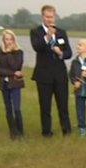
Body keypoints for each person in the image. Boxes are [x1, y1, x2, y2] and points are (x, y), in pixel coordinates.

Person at [30, 5, 72, 137]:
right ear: (42, 17)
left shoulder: (61, 32)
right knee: (45, 106)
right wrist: (47, 37)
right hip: (44, 75)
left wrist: (61, 53)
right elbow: (37, 47)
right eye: (47, 17)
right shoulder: (36, 32)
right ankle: (47, 132)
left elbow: (69, 52)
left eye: (51, 17)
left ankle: (67, 131)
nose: (49, 19)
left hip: (60, 74)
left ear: (55, 16)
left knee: (63, 105)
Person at [0, 29, 25, 140]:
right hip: (4, 84)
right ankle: (13, 133)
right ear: (3, 40)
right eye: (6, 39)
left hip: (15, 84)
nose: (9, 41)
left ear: (14, 40)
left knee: (16, 108)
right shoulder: (0, 51)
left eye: (11, 39)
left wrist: (8, 53)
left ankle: (21, 133)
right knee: (8, 109)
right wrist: (12, 73)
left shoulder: (19, 52)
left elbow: (16, 66)